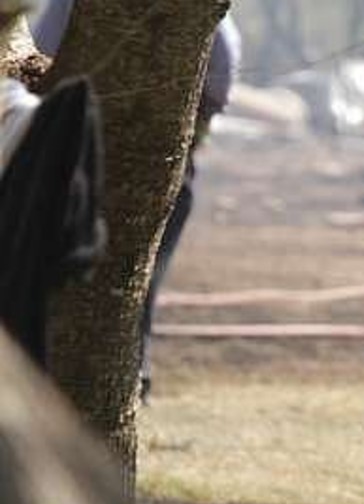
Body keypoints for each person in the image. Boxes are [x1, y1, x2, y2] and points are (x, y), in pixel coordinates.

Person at [30, 1, 240, 401]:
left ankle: (124, 376)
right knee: (130, 278)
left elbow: (38, 67)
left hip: (88, 162)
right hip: (111, 164)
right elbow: (219, 89)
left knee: (126, 278)